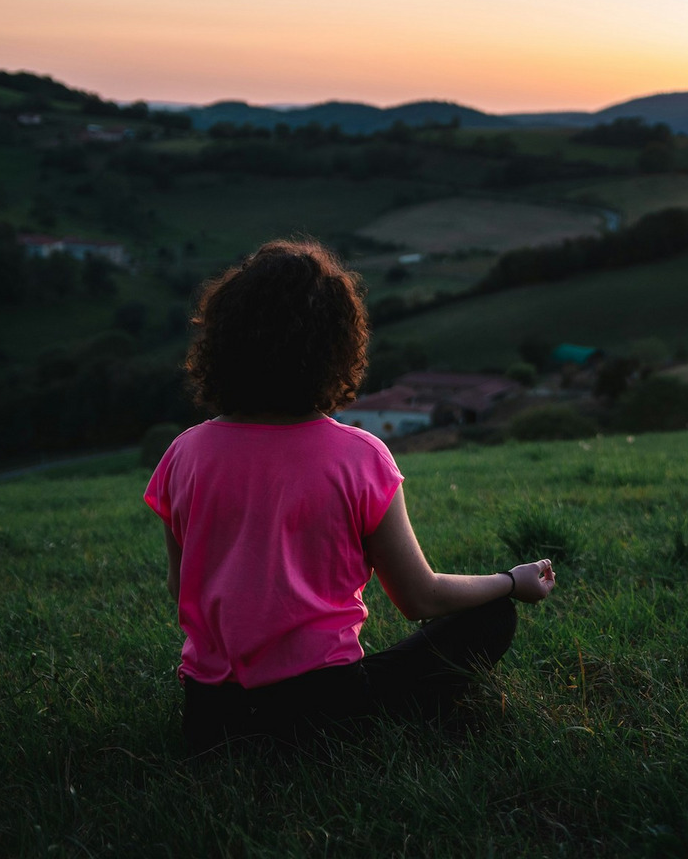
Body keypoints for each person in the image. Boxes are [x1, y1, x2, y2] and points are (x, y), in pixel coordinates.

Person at [143, 238, 556, 754]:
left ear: (224, 340)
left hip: (207, 717)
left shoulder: (183, 453)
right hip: (324, 711)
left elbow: (181, 586)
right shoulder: (360, 455)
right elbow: (419, 597)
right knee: (492, 616)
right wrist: (509, 582)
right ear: (337, 346)